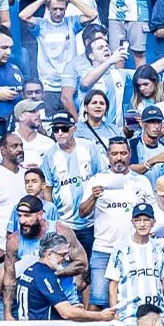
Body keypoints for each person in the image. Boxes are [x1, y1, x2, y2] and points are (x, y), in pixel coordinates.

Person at [83, 139, 157, 313]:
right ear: (108, 156)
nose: (119, 158)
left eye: (123, 153)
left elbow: (154, 212)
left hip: (133, 249)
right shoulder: (97, 180)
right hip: (104, 249)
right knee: (97, 301)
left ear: (130, 155)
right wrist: (93, 197)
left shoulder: (141, 181)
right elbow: (82, 212)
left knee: (133, 299)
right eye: (114, 154)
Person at [0, 194, 87, 323]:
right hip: (33, 309)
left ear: (40, 215)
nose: (22, 221)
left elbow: (82, 264)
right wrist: (7, 313)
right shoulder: (14, 240)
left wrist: (51, 273)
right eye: (19, 215)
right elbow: (9, 279)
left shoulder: (61, 231)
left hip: (66, 304)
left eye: (27, 216)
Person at [17, 232, 116, 326]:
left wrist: (72, 308)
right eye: (63, 254)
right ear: (49, 254)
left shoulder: (31, 271)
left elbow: (42, 305)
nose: (67, 259)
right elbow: (66, 312)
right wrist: (101, 316)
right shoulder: (44, 276)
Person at [41, 112, 108, 261]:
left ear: (74, 129)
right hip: (64, 223)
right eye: (55, 129)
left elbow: (101, 176)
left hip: (91, 221)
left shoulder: (89, 147)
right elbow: (47, 189)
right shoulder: (49, 155)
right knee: (67, 264)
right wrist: (54, 218)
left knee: (89, 265)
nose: (59, 133)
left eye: (64, 128)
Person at [20, 0, 97, 115]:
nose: (58, 12)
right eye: (54, 9)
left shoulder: (71, 22)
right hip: (49, 86)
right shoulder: (41, 25)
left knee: (72, 123)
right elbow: (23, 15)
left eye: (61, 9)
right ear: (48, 8)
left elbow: (93, 14)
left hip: (70, 84)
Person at [106, 202, 164, 326]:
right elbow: (113, 286)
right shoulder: (120, 249)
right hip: (129, 319)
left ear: (153, 222)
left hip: (158, 318)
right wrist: (116, 320)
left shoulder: (161, 249)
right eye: (138, 220)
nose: (142, 224)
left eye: (146, 220)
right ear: (132, 222)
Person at [128, 106, 164, 186]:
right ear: (143, 124)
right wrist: (153, 160)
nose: (156, 126)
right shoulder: (132, 144)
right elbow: (129, 171)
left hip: (159, 194)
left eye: (159, 122)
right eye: (151, 122)